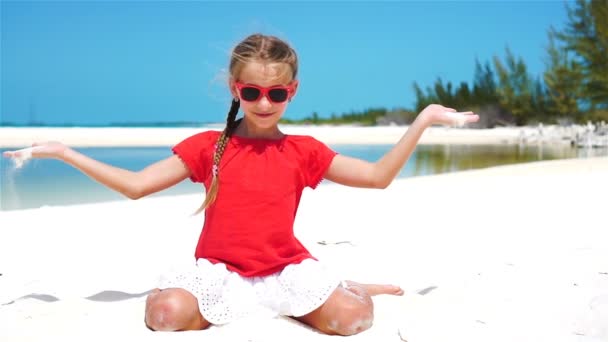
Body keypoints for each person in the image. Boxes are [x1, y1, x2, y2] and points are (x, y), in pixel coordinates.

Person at [3, 33, 479, 336]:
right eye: (252, 91)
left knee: (354, 319)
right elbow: (135, 185)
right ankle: (187, 291)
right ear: (236, 89)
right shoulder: (207, 147)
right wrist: (65, 153)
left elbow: (377, 178)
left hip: (285, 271)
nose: (264, 102)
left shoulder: (304, 151)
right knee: (164, 317)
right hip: (221, 275)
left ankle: (346, 285)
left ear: (292, 92)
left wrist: (422, 123)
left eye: (276, 93)